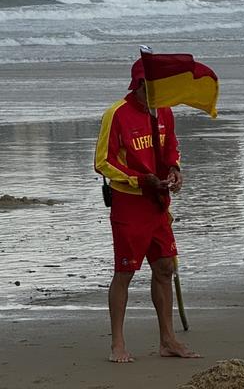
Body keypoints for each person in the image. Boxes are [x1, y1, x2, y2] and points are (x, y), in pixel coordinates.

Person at [94, 57, 200, 363]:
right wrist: (140, 179)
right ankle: (117, 345)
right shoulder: (117, 114)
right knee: (125, 272)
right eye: (152, 87)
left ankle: (167, 340)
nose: (158, 92)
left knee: (165, 268)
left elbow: (171, 149)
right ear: (139, 85)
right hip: (130, 204)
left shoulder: (164, 110)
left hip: (158, 205)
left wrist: (175, 170)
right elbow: (102, 162)